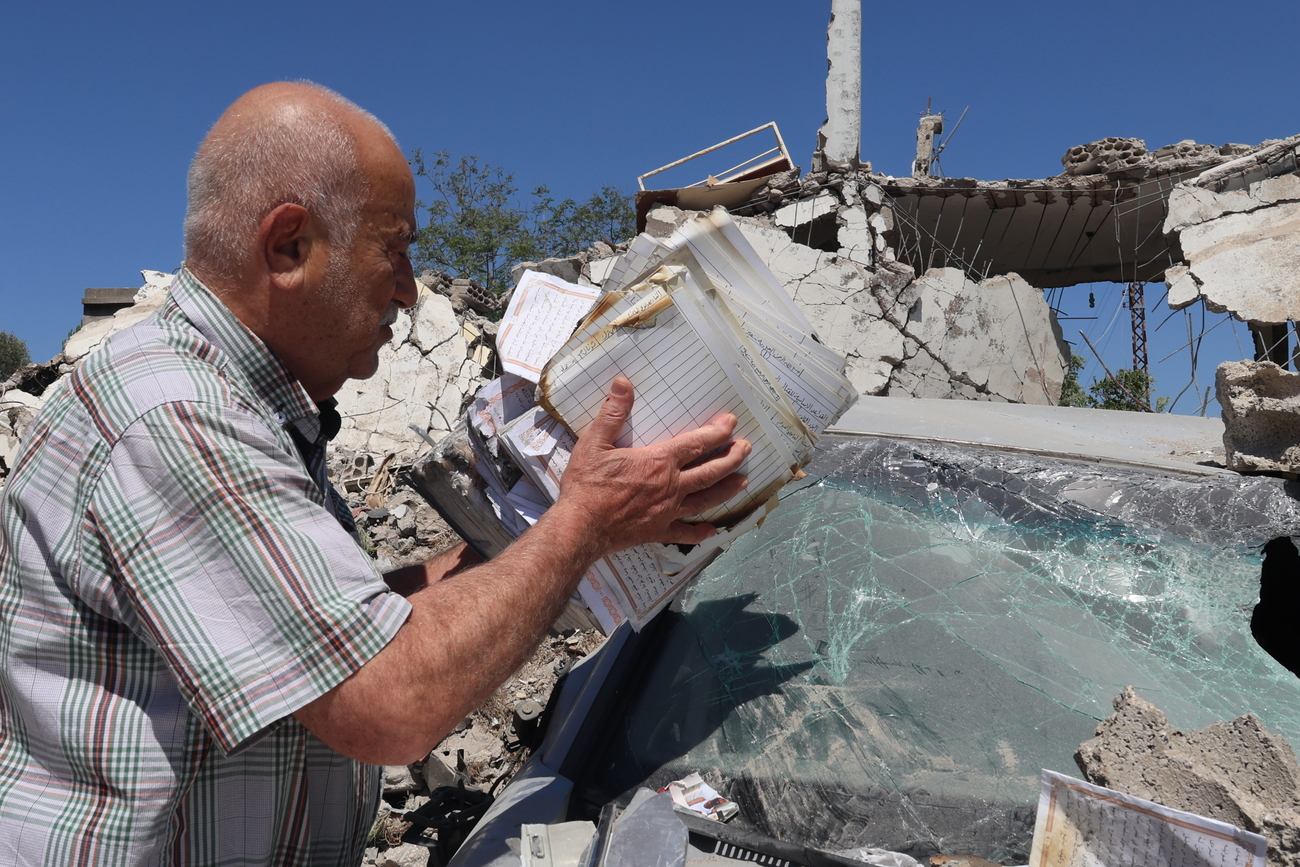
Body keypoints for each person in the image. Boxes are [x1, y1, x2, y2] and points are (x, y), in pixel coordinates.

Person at [0, 82, 748, 866]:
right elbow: (385, 701)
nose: (409, 286)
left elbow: (329, 626)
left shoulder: (237, 405)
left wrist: (513, 549)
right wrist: (583, 524)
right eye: (394, 247)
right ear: (289, 246)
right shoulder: (176, 415)